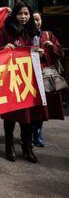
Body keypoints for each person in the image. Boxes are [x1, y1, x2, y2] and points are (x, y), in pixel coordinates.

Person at [0, 2, 47, 163]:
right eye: (20, 14)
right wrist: (3, 49)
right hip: (11, 80)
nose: (24, 17)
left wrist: (40, 52)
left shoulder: (33, 32)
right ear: (14, 15)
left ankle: (27, 148)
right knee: (10, 116)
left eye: (26, 14)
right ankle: (9, 147)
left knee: (28, 117)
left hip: (29, 79)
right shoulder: (4, 31)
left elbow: (39, 54)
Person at [31, 10, 65, 147]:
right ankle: (28, 133)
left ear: (41, 20)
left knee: (42, 106)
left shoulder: (47, 34)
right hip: (29, 74)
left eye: (37, 19)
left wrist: (52, 46)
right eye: (33, 19)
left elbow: (60, 53)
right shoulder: (24, 35)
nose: (35, 22)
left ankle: (37, 132)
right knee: (31, 105)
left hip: (45, 75)